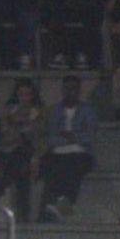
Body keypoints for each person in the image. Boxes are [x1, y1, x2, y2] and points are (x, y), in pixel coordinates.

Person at [0, 77, 45, 221]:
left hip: (29, 153)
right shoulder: (9, 112)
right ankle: (22, 213)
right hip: (9, 152)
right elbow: (6, 137)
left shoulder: (38, 113)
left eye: (27, 94)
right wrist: (21, 131)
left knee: (19, 165)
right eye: (21, 94)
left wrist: (35, 154)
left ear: (32, 96)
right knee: (18, 165)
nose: (24, 98)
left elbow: (38, 137)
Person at [40, 75, 97, 221]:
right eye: (67, 88)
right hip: (57, 153)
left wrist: (70, 136)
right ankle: (62, 208)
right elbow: (51, 138)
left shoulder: (88, 111)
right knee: (57, 166)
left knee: (71, 165)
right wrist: (72, 138)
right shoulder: (54, 111)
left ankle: (63, 206)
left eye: (73, 88)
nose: (70, 91)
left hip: (81, 154)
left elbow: (89, 137)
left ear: (79, 90)